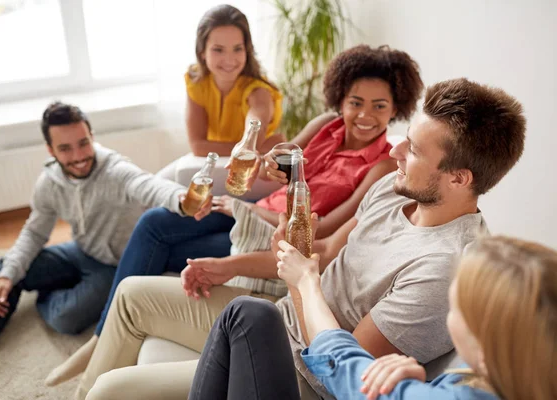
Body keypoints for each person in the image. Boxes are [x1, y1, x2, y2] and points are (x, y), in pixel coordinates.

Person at [76, 77, 526, 400]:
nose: (394, 151)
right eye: (405, 139)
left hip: (300, 376)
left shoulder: (442, 269)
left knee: (113, 391)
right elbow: (325, 253)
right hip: (280, 318)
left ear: (459, 177)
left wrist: (298, 279)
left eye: (414, 150)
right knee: (132, 295)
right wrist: (231, 266)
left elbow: (336, 368)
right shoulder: (395, 189)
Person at [46, 44, 425, 388]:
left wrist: (248, 207)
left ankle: (105, 337)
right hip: (250, 215)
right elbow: (282, 155)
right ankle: (103, 336)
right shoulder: (325, 127)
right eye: (355, 102)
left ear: (396, 109)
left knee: (163, 243)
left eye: (380, 106)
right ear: (341, 101)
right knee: (153, 224)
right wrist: (270, 163)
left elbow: (321, 229)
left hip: (269, 231)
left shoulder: (380, 167)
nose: (365, 115)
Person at [0, 102, 212, 388]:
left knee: (65, 319)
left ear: (92, 136)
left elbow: (149, 185)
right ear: (51, 150)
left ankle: (43, 292)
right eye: (65, 148)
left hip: (113, 267)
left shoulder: (115, 169)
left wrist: (182, 199)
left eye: (83, 143)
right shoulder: (49, 181)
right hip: (78, 252)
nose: (78, 156)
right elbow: (34, 233)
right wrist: (8, 276)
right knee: (2, 270)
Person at [189, 235, 557, 400]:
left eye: (456, 302)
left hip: (315, 372)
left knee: (245, 314)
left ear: (484, 335)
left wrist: (305, 283)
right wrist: (415, 387)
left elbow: (344, 367)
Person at [157, 4, 284, 184]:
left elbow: (256, 124)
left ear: (246, 50)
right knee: (157, 185)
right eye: (218, 49)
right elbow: (197, 146)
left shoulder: (259, 90)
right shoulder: (197, 82)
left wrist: (249, 144)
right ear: (202, 52)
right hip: (215, 161)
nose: (229, 60)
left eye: (237, 49)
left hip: (250, 169)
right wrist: (255, 147)